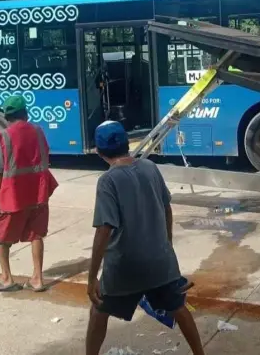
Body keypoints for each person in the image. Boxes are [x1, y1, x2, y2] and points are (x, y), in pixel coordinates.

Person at [86, 121, 204, 355]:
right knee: (178, 307)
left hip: (125, 267)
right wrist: (167, 248)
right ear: (127, 144)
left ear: (99, 152)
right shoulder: (150, 167)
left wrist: (91, 278)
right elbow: (167, 208)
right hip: (160, 263)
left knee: (99, 310)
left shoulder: (108, 181)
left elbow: (104, 230)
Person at [0, 95, 58, 292]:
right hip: (38, 193)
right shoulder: (38, 131)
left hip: (13, 196)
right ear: (25, 114)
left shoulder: (4, 137)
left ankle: (6, 278)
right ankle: (37, 279)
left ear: (7, 117)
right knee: (36, 235)